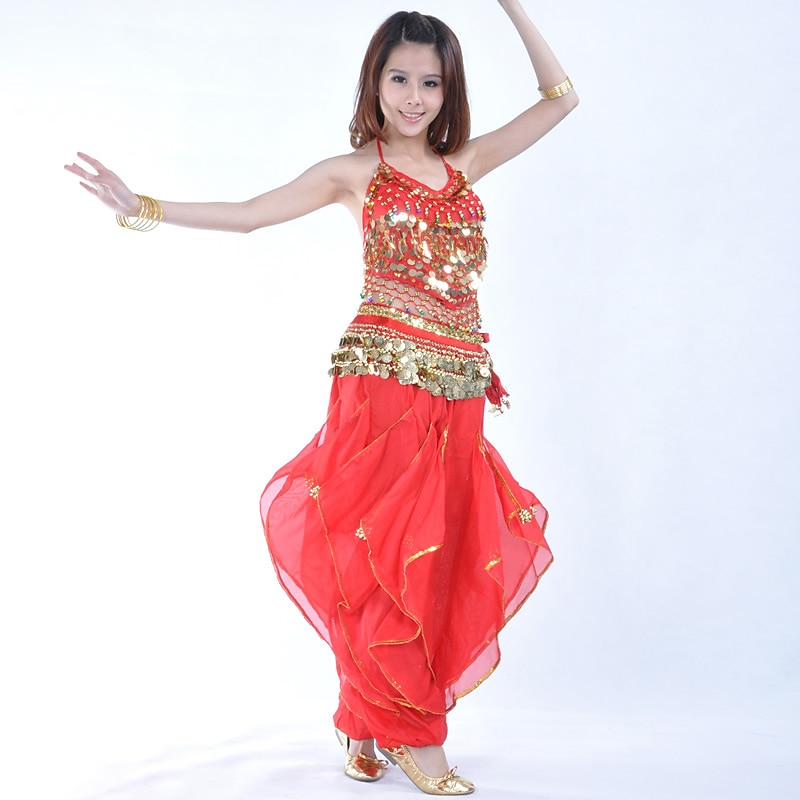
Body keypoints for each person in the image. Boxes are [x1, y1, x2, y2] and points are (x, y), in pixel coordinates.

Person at [65, 1, 577, 794]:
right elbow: (249, 217)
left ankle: (361, 725)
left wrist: (510, 3)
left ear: (449, 90)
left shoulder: (464, 166)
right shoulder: (354, 173)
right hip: (382, 386)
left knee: (432, 558)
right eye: (399, 78)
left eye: (431, 83)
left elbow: (561, 99)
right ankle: (414, 736)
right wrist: (145, 209)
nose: (414, 97)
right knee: (383, 554)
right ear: (375, 83)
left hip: (461, 389)